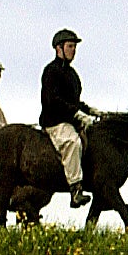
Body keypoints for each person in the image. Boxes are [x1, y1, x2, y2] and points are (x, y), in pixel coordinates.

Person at [39, 29, 92, 208]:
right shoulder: (51, 71)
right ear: (58, 48)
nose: (73, 50)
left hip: (70, 119)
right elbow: (52, 100)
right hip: (55, 122)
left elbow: (75, 102)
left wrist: (91, 111)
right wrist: (75, 113)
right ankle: (75, 189)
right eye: (70, 46)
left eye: (75, 47)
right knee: (72, 143)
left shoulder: (72, 74)